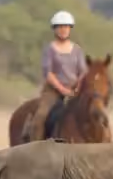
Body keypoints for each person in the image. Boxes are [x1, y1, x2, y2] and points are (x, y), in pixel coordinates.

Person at [23, 10, 87, 144]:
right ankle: (36, 146)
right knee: (40, 117)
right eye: (60, 27)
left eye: (66, 27)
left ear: (70, 29)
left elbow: (83, 72)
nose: (63, 30)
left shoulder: (77, 50)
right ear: (55, 29)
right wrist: (63, 90)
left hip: (75, 90)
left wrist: (77, 88)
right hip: (53, 92)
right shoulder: (49, 49)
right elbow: (48, 73)